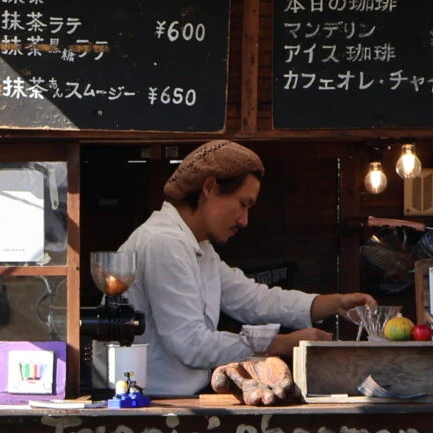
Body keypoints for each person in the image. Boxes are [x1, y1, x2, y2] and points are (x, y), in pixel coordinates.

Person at [115, 140, 373, 396]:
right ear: (210, 188)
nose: (244, 220)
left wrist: (334, 304)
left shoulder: (200, 249)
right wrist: (280, 344)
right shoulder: (163, 242)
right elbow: (190, 343)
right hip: (146, 402)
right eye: (243, 204)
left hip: (172, 398)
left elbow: (253, 299)